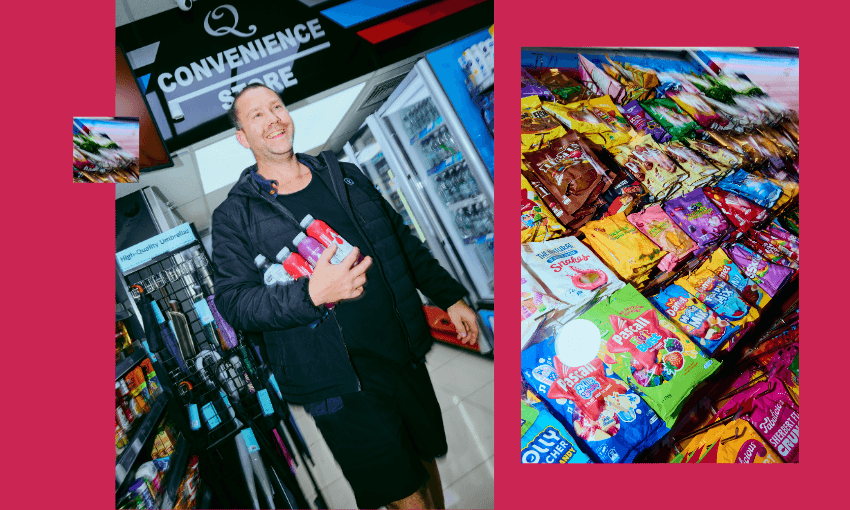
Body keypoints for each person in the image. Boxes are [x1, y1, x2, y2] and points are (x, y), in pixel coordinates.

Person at [211, 83, 480, 510]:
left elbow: (400, 241)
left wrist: (451, 296)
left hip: (401, 352)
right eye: (257, 115)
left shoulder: (344, 175)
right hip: (336, 382)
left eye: (277, 107)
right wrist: (310, 293)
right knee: (401, 490)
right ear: (243, 137)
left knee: (421, 457)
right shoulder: (234, 216)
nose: (273, 118)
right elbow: (233, 301)